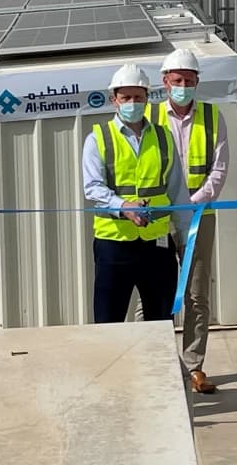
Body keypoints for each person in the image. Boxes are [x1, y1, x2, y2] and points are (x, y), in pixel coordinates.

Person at [143, 48, 229, 395]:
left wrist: (192, 202)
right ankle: (155, 364)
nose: (182, 87)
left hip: (198, 216)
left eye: (188, 81)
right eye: (176, 81)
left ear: (197, 83)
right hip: (159, 220)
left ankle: (194, 365)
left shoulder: (212, 116)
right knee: (152, 293)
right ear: (165, 82)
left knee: (196, 294)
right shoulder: (149, 117)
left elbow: (219, 168)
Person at [82, 63, 192, 324]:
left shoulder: (164, 137)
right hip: (114, 245)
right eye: (126, 98)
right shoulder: (98, 138)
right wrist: (124, 205)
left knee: (161, 323)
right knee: (109, 323)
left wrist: (186, 238)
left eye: (138, 97)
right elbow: (93, 187)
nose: (133, 103)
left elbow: (178, 191)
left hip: (157, 245)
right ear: (114, 101)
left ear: (147, 98)